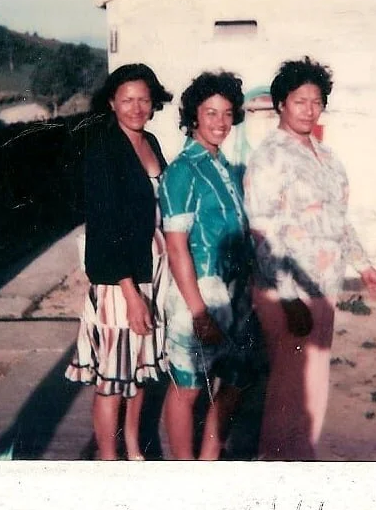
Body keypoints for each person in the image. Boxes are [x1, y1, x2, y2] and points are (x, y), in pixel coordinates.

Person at [244, 56, 376, 461]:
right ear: (280, 105)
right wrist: (288, 297)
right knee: (288, 392)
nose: (309, 109)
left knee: (312, 385)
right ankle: (276, 470)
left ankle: (302, 461)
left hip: (323, 287)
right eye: (299, 101)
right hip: (286, 292)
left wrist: (364, 267)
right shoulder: (269, 156)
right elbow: (262, 232)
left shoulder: (326, 156)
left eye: (316, 101)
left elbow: (338, 219)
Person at [65, 64, 173, 460]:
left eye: (144, 99)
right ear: (111, 102)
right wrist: (130, 293)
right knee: (113, 375)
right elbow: (106, 225)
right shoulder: (103, 150)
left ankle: (132, 447)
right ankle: (109, 459)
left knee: (141, 367)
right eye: (127, 99)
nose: (136, 107)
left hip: (153, 271)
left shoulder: (152, 143)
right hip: (119, 279)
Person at [158, 71, 253, 460]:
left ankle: (208, 461)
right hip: (196, 292)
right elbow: (177, 248)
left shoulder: (225, 167)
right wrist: (199, 312)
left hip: (234, 293)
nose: (220, 122)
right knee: (188, 388)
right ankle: (185, 474)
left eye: (227, 113)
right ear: (193, 116)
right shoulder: (183, 171)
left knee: (236, 378)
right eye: (210, 112)